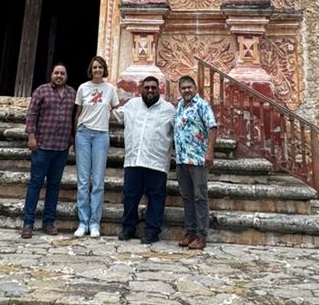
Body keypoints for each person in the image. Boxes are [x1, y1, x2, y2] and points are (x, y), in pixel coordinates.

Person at [115, 74, 174, 244]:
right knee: (130, 197)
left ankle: (152, 231)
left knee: (156, 198)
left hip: (157, 162)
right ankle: (128, 228)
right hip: (134, 159)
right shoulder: (131, 105)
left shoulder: (169, 109)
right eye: (147, 87)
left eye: (153, 88)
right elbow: (113, 114)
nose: (150, 91)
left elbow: (180, 129)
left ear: (159, 90)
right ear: (141, 89)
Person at [21, 63, 75, 239]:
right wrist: (31, 136)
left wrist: (72, 139)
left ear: (66, 76)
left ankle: (48, 222)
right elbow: (32, 115)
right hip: (42, 145)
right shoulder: (41, 91)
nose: (59, 75)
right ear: (52, 74)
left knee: (54, 185)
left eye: (62, 73)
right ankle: (28, 223)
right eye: (56, 72)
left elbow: (75, 117)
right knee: (35, 184)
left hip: (61, 146)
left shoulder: (72, 93)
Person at [72, 54, 121, 238]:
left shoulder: (110, 89)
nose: (97, 70)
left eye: (100, 67)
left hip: (101, 135)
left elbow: (117, 110)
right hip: (83, 134)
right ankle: (83, 222)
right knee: (83, 181)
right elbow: (77, 113)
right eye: (94, 68)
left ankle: (95, 223)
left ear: (105, 69)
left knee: (98, 181)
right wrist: (74, 135)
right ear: (90, 70)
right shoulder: (83, 88)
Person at [173, 73, 218, 251]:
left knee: (200, 197)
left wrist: (210, 152)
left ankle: (201, 235)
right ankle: (190, 231)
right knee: (186, 197)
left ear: (195, 88)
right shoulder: (180, 106)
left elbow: (212, 127)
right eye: (183, 88)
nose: (186, 90)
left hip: (197, 158)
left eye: (189, 87)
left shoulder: (202, 105)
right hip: (182, 159)